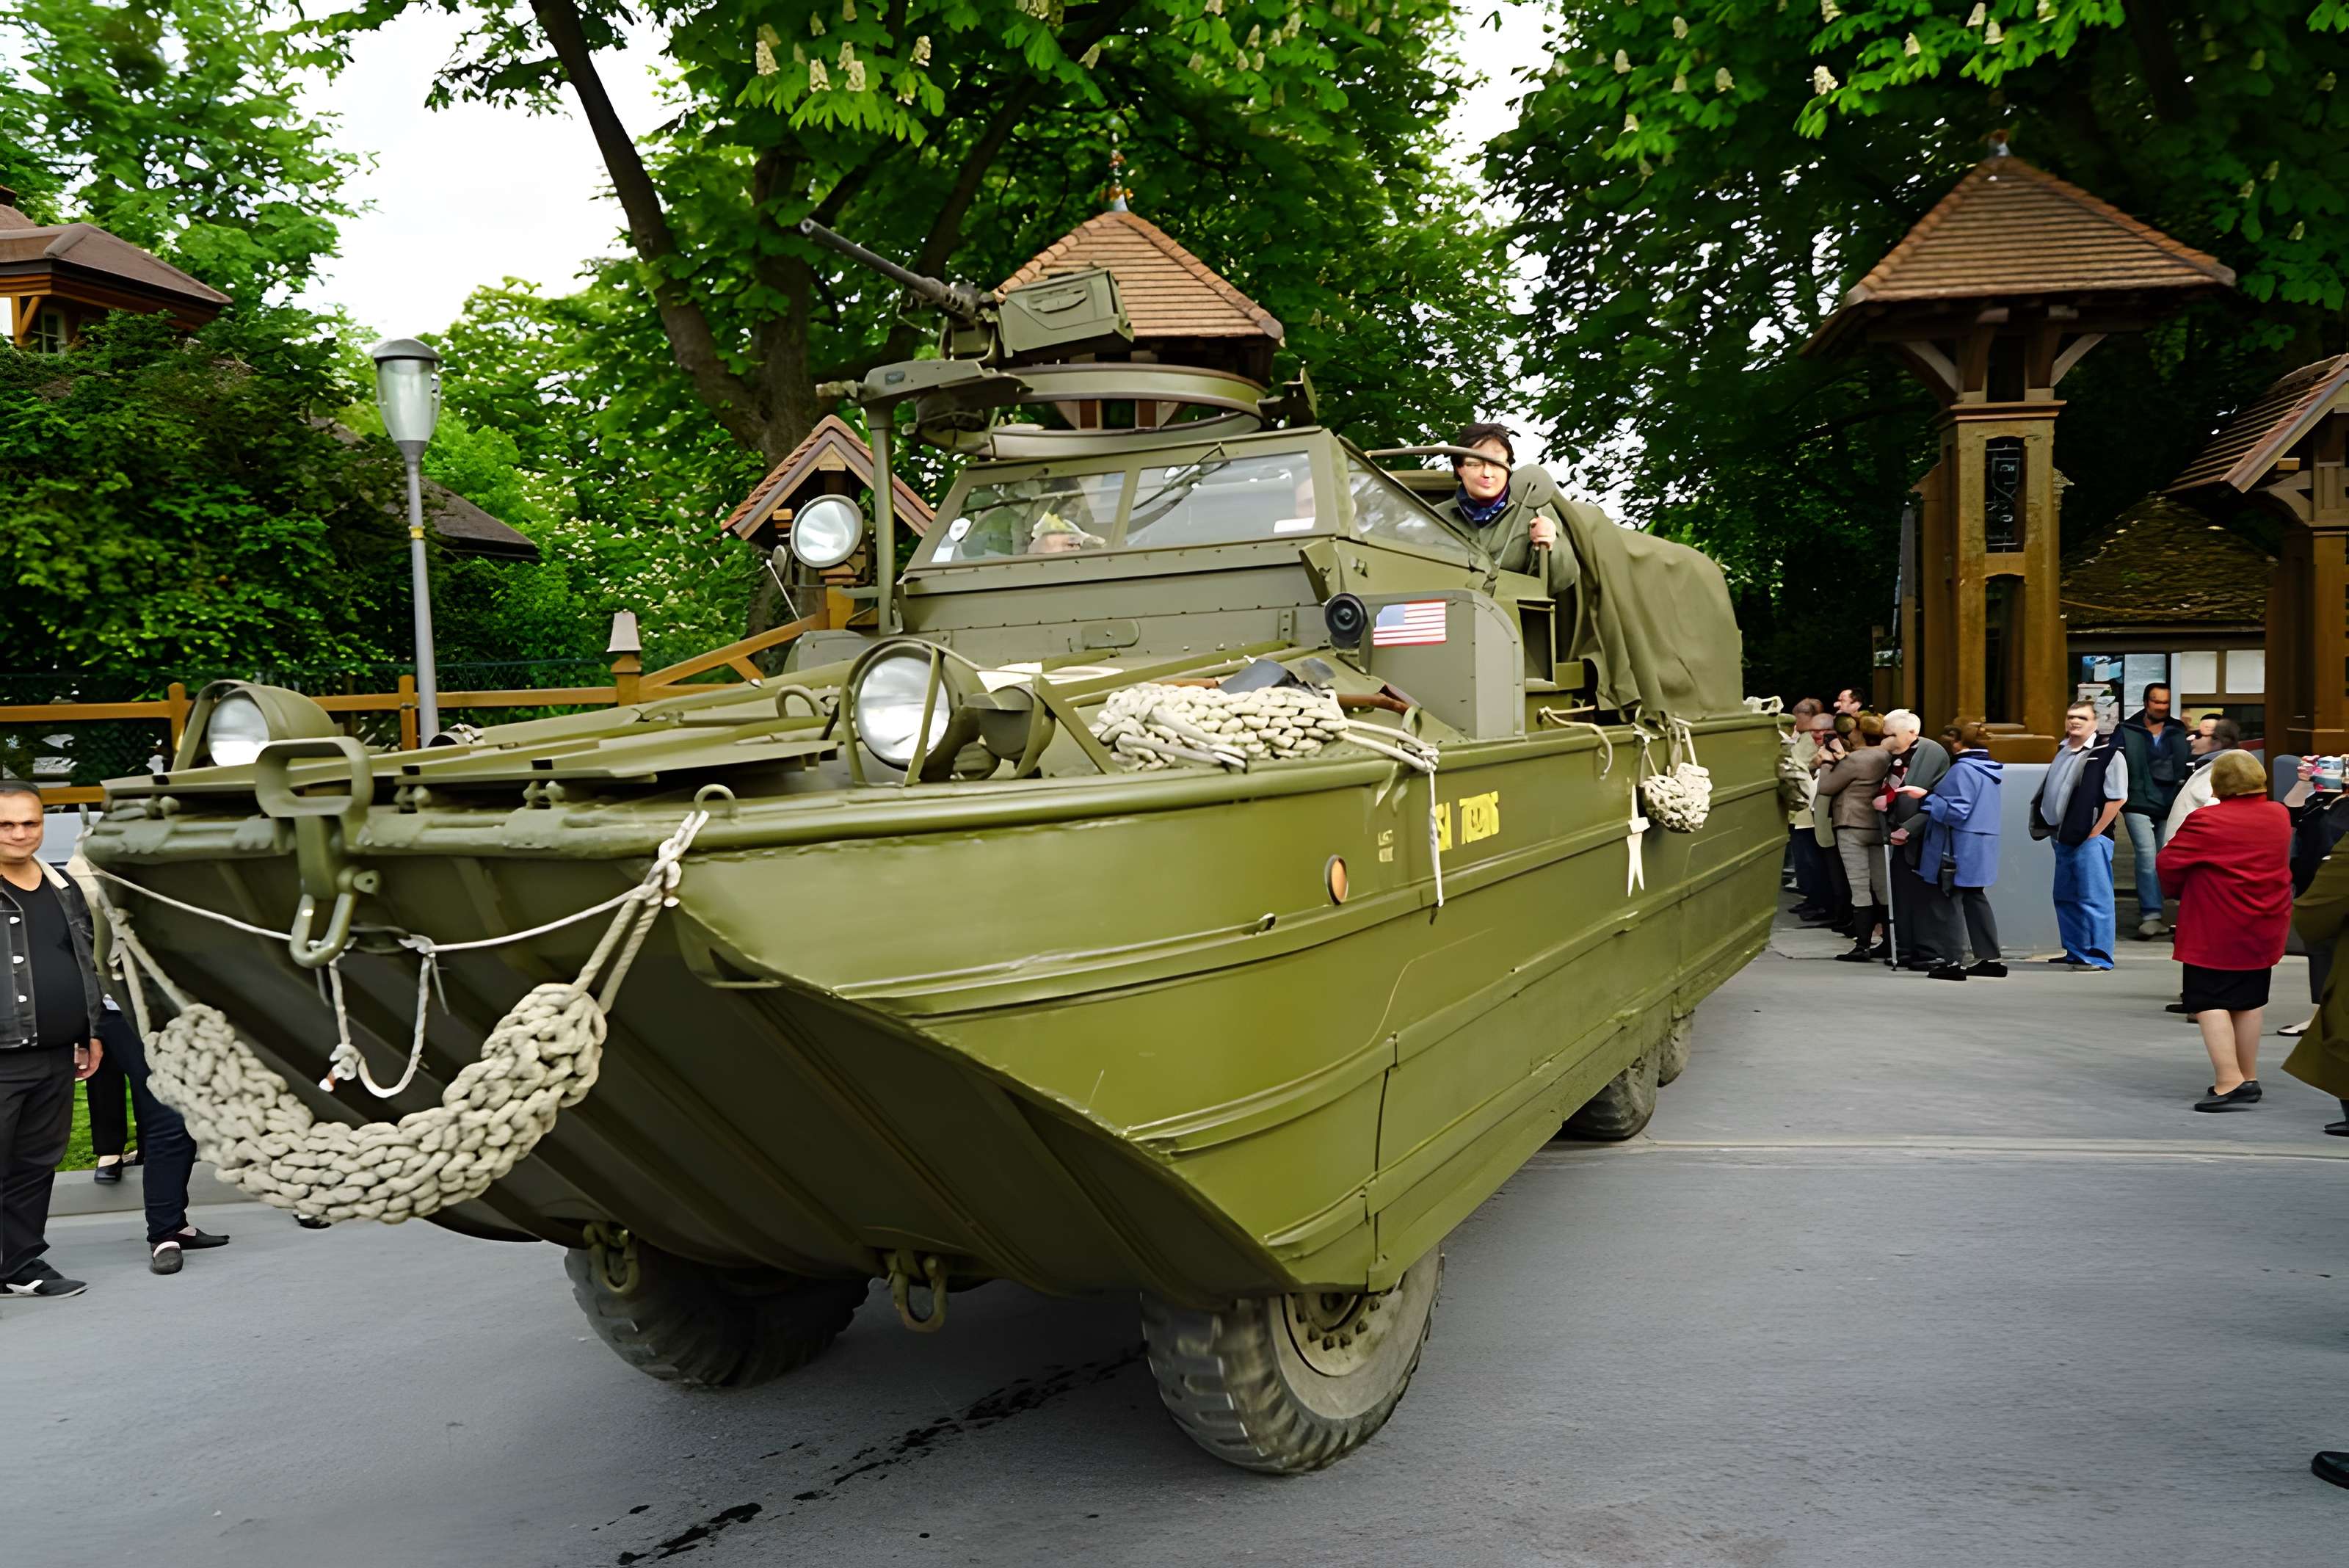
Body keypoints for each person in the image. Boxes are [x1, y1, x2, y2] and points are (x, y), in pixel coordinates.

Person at [0, 781, 103, 1299]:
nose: (21, 834)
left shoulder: (63, 885)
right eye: (6, 825)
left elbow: (82, 960)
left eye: (31, 823)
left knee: (35, 1164)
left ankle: (19, 1266)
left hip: (57, 1052)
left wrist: (88, 1030)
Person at [2157, 752, 2292, 1111]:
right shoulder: (2278, 815)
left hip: (2215, 926)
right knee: (2249, 1001)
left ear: (2219, 785)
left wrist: (2179, 890)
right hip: (2264, 924)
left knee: (2208, 1000)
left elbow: (2168, 863)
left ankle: (2227, 1082)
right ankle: (2248, 1076)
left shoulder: (2206, 820)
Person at [1906, 721, 2005, 980]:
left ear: (1958, 742)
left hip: (1957, 846)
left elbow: (1956, 811)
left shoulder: (1961, 770)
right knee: (1976, 898)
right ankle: (1990, 959)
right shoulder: (1989, 769)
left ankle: (1953, 962)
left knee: (1949, 900)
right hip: (1980, 844)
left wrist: (1926, 797)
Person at [2033, 702, 2127, 971]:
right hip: (2061, 836)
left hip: (2090, 839)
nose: (2075, 722)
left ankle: (2099, 956)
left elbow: (2118, 797)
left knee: (2095, 897)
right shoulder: (2063, 751)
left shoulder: (2109, 754)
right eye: (2071, 716)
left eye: (2082, 718)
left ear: (2096, 723)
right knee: (2065, 896)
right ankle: (2076, 951)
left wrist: (2095, 832)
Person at [2116, 683, 2193, 939]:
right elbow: (2115, 763)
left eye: (2165, 703)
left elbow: (2182, 764)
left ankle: (2164, 912)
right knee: (2147, 855)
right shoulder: (2127, 729)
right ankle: (2150, 914)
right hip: (2136, 799)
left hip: (2169, 801)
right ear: (2146, 701)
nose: (2160, 707)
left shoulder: (2176, 729)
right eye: (2155, 701)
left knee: (2165, 857)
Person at [2281, 758, 2349, 1050]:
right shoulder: (2321, 802)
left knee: (2334, 952)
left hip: (2337, 889)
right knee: (2319, 952)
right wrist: (2305, 780)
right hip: (2312, 882)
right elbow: (2291, 811)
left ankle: (2327, 1017)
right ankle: (2319, 1014)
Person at [1815, 711, 1892, 961]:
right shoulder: (1885, 755)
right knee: (1882, 886)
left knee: (1859, 885)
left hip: (1851, 824)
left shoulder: (1856, 759)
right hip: (1877, 825)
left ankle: (1863, 946)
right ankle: (1890, 943)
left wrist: (1827, 761)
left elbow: (1827, 786)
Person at [1881, 710, 1952, 970]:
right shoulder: (1894, 756)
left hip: (1923, 836)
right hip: (1899, 833)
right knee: (1902, 894)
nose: (1886, 740)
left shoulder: (1931, 753)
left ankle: (1927, 949)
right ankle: (1905, 947)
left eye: (1891, 735)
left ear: (1912, 733)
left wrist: (1910, 828)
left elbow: (1934, 797)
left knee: (1924, 896)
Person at [2162, 716, 2243, 838]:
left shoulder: (2219, 771)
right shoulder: (2210, 765)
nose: (2193, 738)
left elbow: (2213, 812)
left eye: (2199, 735)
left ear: (2218, 741)